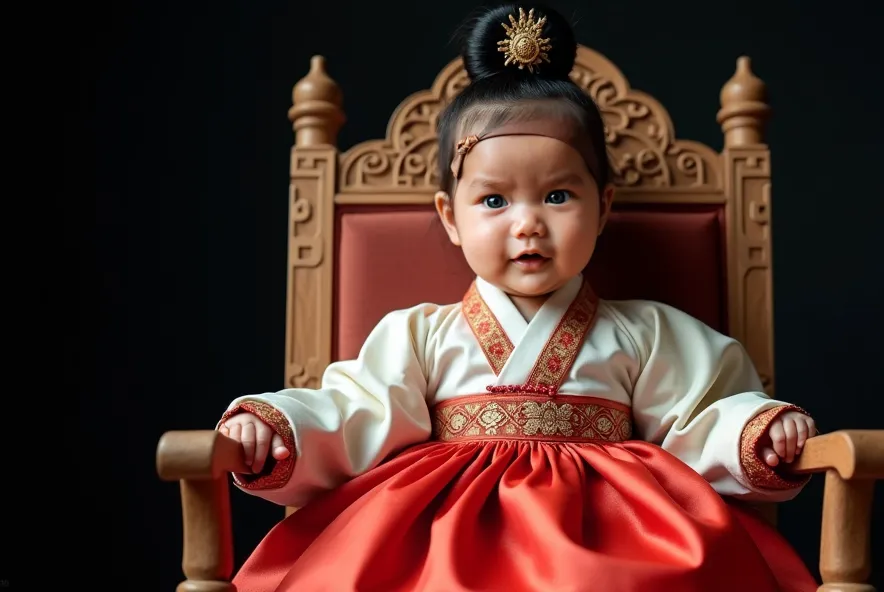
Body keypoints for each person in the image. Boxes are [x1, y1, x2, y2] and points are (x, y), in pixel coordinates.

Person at [217, 4, 819, 591]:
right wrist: (280, 427)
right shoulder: (421, 335)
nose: (527, 224)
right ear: (450, 217)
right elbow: (354, 415)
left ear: (603, 205)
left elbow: (704, 413)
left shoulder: (645, 332)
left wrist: (756, 431)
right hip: (445, 530)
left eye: (558, 197)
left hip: (612, 530)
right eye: (494, 201)